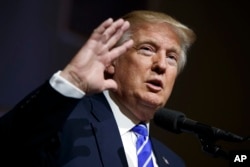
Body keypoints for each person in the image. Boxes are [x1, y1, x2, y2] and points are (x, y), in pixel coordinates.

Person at [0, 10, 196, 166]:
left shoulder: (174, 162)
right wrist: (72, 80)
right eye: (147, 49)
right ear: (113, 60)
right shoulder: (65, 121)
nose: (161, 65)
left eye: (172, 57)